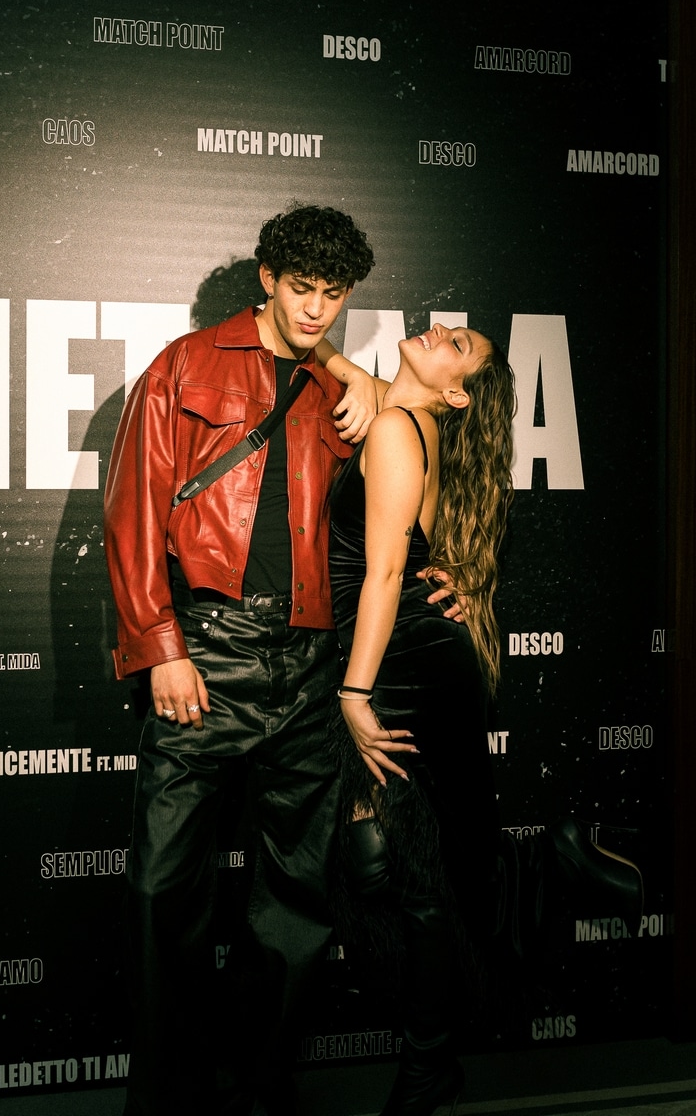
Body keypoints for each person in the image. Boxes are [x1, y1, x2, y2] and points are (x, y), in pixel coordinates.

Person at [104, 204, 383, 1116]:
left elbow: (391, 505)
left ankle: (265, 1085)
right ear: (267, 279)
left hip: (304, 662)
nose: (315, 309)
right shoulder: (182, 367)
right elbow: (133, 513)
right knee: (160, 887)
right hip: (206, 652)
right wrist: (161, 647)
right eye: (301, 288)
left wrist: (357, 377)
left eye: (333, 294)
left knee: (297, 896)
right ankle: (170, 1095)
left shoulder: (338, 387)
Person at [327, 323, 643, 1116]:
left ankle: (428, 1061)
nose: (441, 331)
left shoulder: (399, 428)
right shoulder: (405, 418)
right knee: (398, 866)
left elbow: (387, 572)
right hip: (406, 655)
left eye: (459, 346)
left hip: (396, 666)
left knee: (408, 870)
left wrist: (354, 695)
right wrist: (342, 366)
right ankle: (541, 876)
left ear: (456, 391)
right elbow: (321, 359)